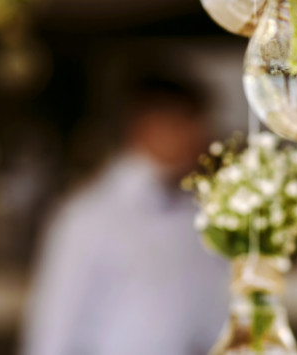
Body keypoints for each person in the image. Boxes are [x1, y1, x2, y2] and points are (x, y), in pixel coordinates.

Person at [20, 76, 229, 355]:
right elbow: (53, 331)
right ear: (147, 126)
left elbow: (211, 314)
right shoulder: (86, 216)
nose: (202, 136)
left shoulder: (196, 209)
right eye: (189, 123)